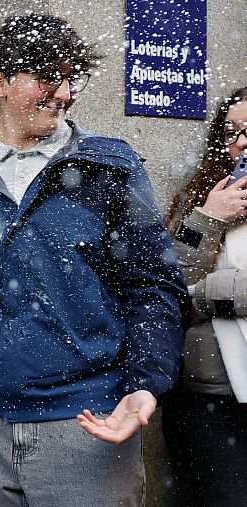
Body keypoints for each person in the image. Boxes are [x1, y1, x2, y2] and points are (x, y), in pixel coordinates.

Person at [0, 14, 187, 506]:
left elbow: (154, 287)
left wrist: (146, 384)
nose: (64, 93)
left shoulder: (108, 167)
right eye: (49, 78)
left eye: (72, 79)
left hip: (86, 422)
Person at [164, 86, 247, 506]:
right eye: (232, 131)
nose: (241, 142)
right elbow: (172, 284)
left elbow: (191, 295)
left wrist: (203, 298)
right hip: (209, 398)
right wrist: (210, 218)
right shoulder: (203, 196)